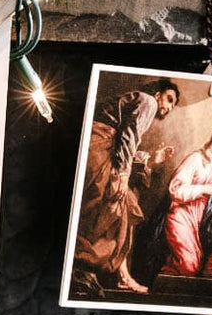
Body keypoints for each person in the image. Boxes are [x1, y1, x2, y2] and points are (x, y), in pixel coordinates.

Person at [73, 79, 178, 292]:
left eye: (172, 105)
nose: (168, 106)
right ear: (158, 94)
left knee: (126, 203)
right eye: (168, 99)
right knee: (100, 203)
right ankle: (81, 266)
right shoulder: (148, 101)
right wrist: (122, 174)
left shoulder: (142, 103)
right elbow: (127, 138)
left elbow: (123, 140)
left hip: (103, 147)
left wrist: (150, 160)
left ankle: (121, 274)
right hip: (96, 145)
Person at [161, 124, 212, 276]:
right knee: (188, 266)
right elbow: (175, 190)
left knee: (195, 267)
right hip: (181, 216)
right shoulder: (196, 159)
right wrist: (204, 189)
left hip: (197, 222)